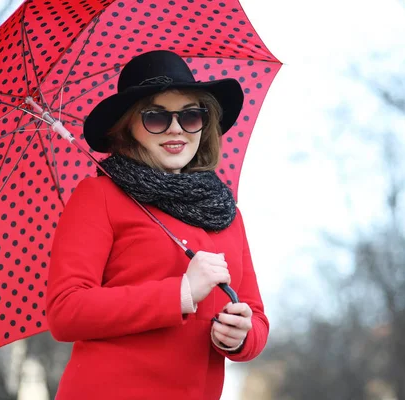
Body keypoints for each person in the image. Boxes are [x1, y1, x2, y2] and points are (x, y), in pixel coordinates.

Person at [45, 50, 268, 400]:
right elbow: (66, 310)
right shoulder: (99, 195)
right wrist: (181, 292)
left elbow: (255, 316)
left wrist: (241, 336)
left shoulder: (226, 213)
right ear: (128, 126)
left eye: (191, 115)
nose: (176, 128)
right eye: (156, 117)